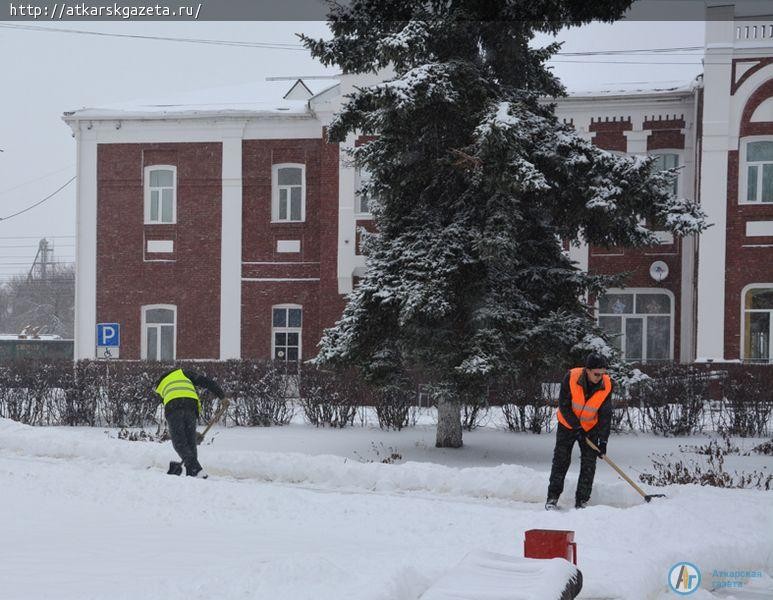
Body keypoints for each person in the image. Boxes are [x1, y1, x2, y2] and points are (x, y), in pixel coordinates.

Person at [545, 352, 613, 510]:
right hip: (567, 425)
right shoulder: (571, 377)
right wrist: (576, 427)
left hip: (590, 428)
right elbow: (564, 405)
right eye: (596, 374)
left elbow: (605, 414)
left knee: (589, 464)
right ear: (587, 370)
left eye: (603, 374)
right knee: (561, 461)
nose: (600, 377)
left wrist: (603, 441)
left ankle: (581, 501)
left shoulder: (607, 384)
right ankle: (552, 498)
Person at [154, 366, 226, 478]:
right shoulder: (183, 373)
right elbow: (206, 382)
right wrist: (222, 396)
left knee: (179, 442)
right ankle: (192, 473)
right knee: (190, 442)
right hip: (191, 405)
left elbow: (174, 414)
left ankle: (196, 470)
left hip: (174, 406)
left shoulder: (161, 386)